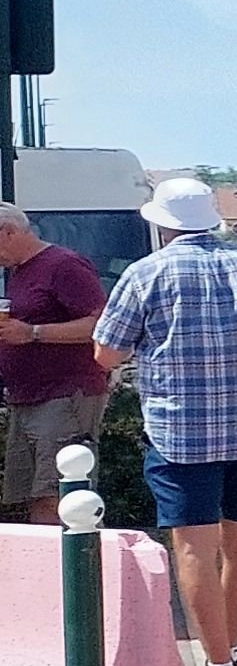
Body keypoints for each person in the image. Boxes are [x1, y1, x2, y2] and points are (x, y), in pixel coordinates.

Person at [92, 174, 237, 666]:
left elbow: (106, 353)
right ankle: (228, 653)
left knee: (193, 548)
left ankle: (217, 663)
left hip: (179, 435)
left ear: (162, 224)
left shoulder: (146, 275)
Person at [0, 201, 114, 529]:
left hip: (65, 395)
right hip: (29, 398)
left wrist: (33, 333)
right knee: (36, 496)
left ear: (8, 232)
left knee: (62, 495)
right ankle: (55, 574)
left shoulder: (63, 265)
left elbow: (101, 326)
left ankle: (81, 573)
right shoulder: (19, 271)